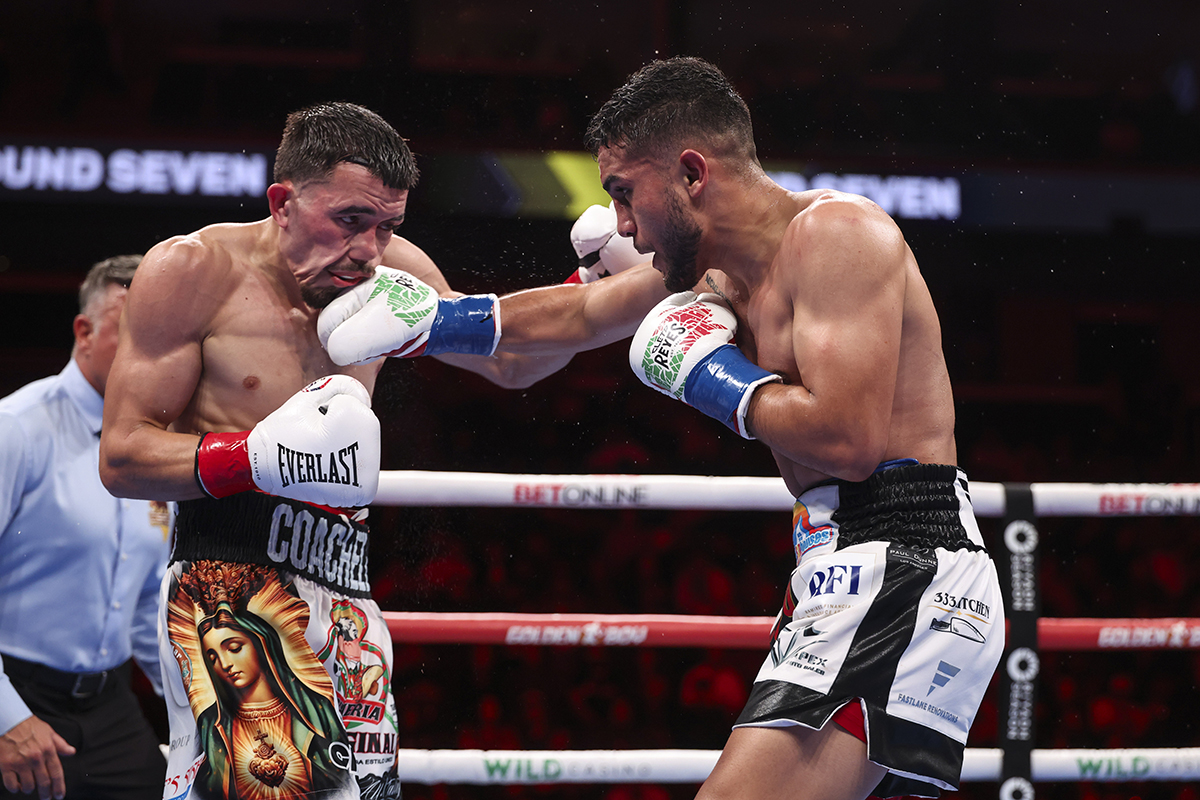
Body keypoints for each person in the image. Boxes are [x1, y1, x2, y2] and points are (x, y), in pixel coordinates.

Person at [318, 57, 1005, 800]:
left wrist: (711, 373)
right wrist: (433, 322)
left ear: (690, 173)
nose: (620, 225)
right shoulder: (719, 272)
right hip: (840, 562)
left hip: (903, 556)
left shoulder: (839, 235)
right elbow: (577, 314)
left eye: (624, 193)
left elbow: (848, 440)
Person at [97, 102, 570, 800]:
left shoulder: (392, 270)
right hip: (228, 588)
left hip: (347, 590)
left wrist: (595, 287)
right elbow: (123, 456)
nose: (369, 250)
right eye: (350, 221)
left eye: (387, 226)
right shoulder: (193, 269)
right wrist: (254, 457)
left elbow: (510, 364)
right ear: (282, 203)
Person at [0, 255, 171, 800]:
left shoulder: (160, 445)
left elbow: (145, 603)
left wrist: (203, 708)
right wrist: (4, 718)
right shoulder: (18, 429)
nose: (150, 354)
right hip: (16, 691)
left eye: (159, 334)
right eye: (132, 331)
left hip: (109, 706)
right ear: (84, 331)